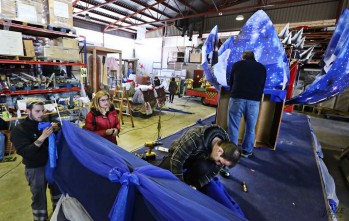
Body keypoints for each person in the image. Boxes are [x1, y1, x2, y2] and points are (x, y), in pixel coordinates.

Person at [10, 101, 61, 221]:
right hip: (35, 168)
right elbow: (26, 152)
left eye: (42, 110)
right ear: (27, 111)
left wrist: (56, 127)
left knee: (57, 193)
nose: (41, 114)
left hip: (51, 164)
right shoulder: (19, 130)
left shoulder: (44, 124)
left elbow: (59, 128)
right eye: (37, 111)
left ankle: (58, 217)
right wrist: (43, 136)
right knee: (39, 199)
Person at [158, 125, 240, 189]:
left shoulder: (225, 147)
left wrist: (197, 185)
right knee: (161, 174)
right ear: (219, 151)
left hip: (199, 158)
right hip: (179, 154)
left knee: (204, 168)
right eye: (219, 161)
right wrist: (181, 186)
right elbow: (177, 160)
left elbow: (212, 173)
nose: (219, 164)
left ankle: (189, 178)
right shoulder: (195, 137)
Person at [228, 50, 266, 158]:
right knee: (250, 127)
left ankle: (232, 152)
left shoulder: (237, 65)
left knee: (234, 126)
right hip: (254, 101)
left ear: (243, 57)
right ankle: (247, 151)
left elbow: (231, 81)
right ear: (254, 57)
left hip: (237, 98)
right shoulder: (262, 68)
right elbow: (262, 85)